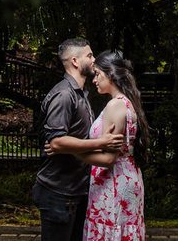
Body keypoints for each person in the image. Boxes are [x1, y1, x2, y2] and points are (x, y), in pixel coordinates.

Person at [34, 38, 125, 241]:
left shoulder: (80, 95)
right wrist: (101, 143)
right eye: (89, 56)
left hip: (76, 192)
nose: (94, 60)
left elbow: (67, 142)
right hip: (58, 193)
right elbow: (56, 142)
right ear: (75, 61)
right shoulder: (64, 95)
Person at [61, 50, 148, 241]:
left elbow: (108, 159)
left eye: (98, 74)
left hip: (113, 183)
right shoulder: (126, 102)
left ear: (111, 74)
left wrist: (72, 150)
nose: (94, 80)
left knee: (111, 232)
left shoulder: (115, 105)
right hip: (124, 178)